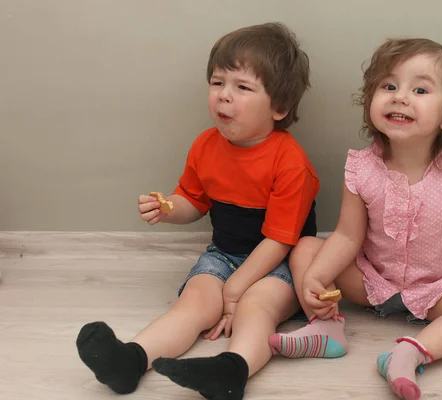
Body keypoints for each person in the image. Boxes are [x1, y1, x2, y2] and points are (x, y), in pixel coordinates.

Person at [269, 38, 442, 400]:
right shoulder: (361, 168)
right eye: (389, 86)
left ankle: (409, 352)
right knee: (307, 248)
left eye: (419, 89)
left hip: (439, 291)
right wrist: (318, 278)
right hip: (373, 283)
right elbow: (347, 237)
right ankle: (326, 327)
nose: (400, 96)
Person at [76, 22, 319, 400]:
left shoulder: (291, 163)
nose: (223, 96)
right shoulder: (206, 146)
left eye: (242, 87)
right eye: (218, 82)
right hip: (223, 255)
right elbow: (194, 202)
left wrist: (237, 290)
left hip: (281, 264)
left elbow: (279, 240)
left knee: (257, 308)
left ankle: (232, 370)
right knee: (195, 302)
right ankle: (130, 361)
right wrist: (169, 208)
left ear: (279, 107)